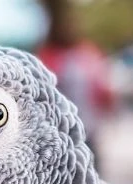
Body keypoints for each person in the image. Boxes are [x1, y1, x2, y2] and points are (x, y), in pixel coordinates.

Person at [38, 40, 117, 176]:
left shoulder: (51, 59)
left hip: (69, 130)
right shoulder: (88, 59)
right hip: (83, 128)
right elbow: (105, 93)